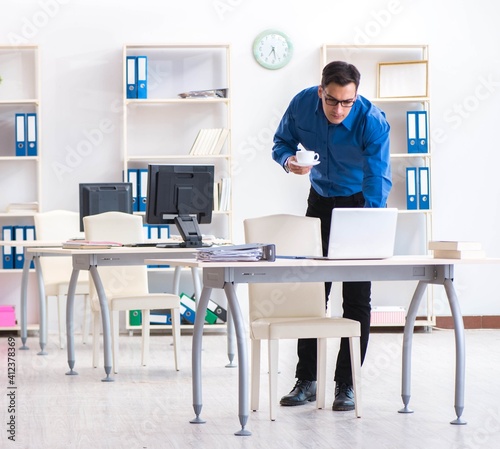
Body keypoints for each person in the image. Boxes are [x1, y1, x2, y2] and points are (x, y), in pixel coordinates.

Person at [271, 60, 392, 411]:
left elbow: (378, 178)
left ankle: (346, 385)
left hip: (359, 203)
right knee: (312, 295)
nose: (339, 109)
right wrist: (288, 161)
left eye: (347, 102)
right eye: (332, 100)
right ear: (321, 89)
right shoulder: (301, 105)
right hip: (320, 200)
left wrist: (366, 226)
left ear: (356, 96)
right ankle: (306, 380)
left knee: (356, 299)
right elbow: (281, 142)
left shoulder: (371, 121)